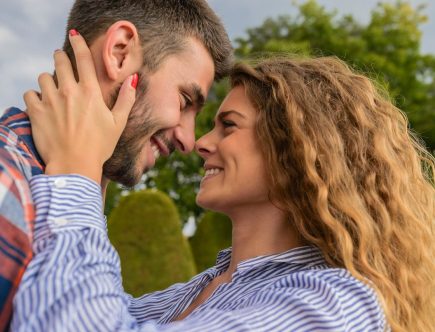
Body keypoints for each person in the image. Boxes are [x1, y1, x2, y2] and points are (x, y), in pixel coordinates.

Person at [12, 33, 435, 331]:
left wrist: (76, 170)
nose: (199, 142)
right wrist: (98, 163)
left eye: (228, 126)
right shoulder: (206, 286)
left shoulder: (335, 305)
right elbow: (87, 306)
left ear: (299, 151)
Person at [0, 0, 232, 329]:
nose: (189, 140)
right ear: (120, 53)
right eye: (184, 101)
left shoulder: (55, 203)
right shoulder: (8, 188)